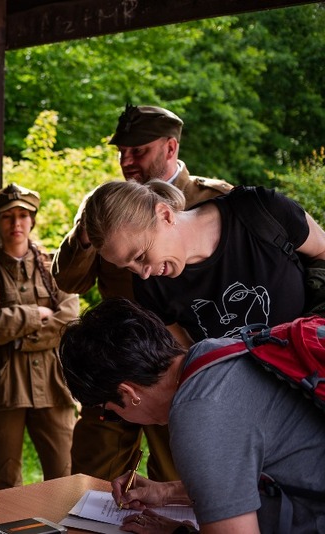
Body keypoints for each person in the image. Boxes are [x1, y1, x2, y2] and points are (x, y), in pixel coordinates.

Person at [52, 104, 232, 483]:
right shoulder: (105, 205)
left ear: (170, 148)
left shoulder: (212, 201)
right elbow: (68, 281)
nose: (126, 161)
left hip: (179, 371)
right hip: (114, 369)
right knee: (90, 480)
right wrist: (86, 233)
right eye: (121, 152)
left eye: (138, 151)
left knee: (178, 476)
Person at [58, 298, 325, 533]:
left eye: (113, 414)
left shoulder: (198, 415)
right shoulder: (213, 354)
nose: (121, 419)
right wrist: (167, 492)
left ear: (128, 393)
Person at [81, 179, 325, 345]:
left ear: (165, 215)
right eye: (128, 267)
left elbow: (323, 252)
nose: (142, 274)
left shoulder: (261, 210)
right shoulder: (152, 287)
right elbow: (191, 358)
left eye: (140, 256)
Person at [0, 184, 80, 490]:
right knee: (4, 479)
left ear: (32, 220)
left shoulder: (54, 265)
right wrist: (37, 314)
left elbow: (70, 317)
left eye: (23, 215)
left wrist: (17, 337)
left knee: (65, 472)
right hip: (2, 384)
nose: (16, 223)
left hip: (52, 382)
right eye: (7, 217)